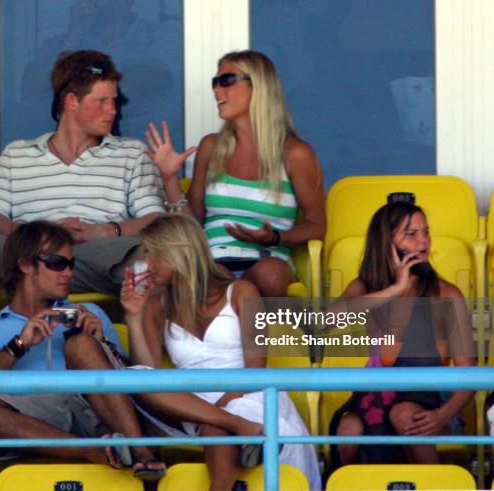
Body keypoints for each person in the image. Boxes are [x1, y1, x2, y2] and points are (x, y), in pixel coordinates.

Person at [0, 50, 164, 322]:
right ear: (72, 101)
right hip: (25, 257)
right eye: (102, 101)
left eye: (114, 101)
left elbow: (154, 219)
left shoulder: (132, 153)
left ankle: (146, 352)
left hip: (95, 257)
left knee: (169, 251)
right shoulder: (18, 153)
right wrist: (35, 236)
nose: (113, 110)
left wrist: (104, 231)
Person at [120, 214, 321, 491]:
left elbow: (255, 368)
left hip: (247, 391)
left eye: (152, 254)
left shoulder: (241, 290)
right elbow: (149, 372)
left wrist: (220, 407)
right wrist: (134, 316)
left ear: (177, 253)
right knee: (135, 377)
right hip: (192, 403)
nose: (146, 263)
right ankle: (236, 426)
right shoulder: (157, 303)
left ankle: (233, 427)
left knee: (216, 430)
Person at [0, 220, 166, 480]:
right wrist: (17, 346)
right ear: (24, 264)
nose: (68, 273)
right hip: (41, 420)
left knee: (80, 344)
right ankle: (93, 452)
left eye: (71, 264)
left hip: (100, 410)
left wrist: (101, 343)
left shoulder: (91, 313)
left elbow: (133, 384)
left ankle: (141, 453)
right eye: (57, 263)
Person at [144, 50, 325, 297]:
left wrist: (273, 237)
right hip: (212, 261)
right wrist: (169, 178)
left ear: (259, 85)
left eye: (226, 80)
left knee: (268, 274)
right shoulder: (211, 146)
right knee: (211, 279)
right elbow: (192, 223)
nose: (217, 90)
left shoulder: (295, 153)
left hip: (268, 258)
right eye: (214, 83)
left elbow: (317, 226)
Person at [330, 202, 475, 467]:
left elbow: (470, 372)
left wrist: (442, 416)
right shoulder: (364, 287)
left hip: (434, 405)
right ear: (386, 242)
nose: (423, 241)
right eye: (411, 233)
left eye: (426, 232)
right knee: (347, 432)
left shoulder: (447, 294)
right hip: (375, 398)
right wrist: (395, 289)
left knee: (404, 414)